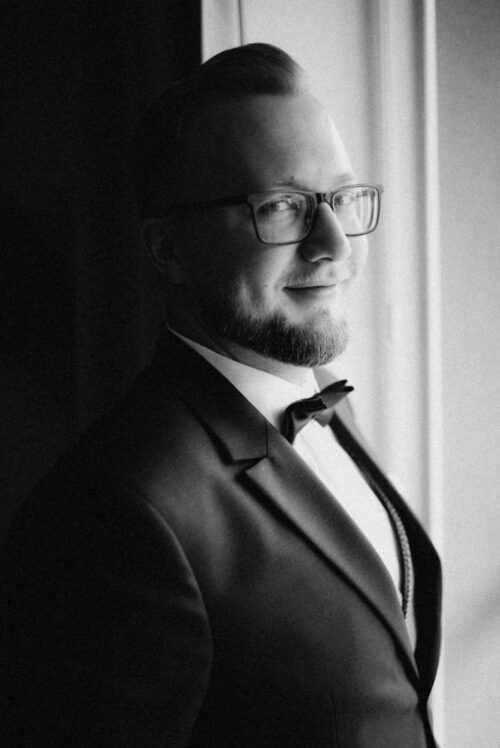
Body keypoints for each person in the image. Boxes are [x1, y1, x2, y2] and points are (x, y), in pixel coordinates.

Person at [0, 43, 441, 747]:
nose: (335, 244)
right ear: (168, 250)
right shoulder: (116, 513)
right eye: (283, 207)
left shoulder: (327, 401)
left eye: (340, 198)